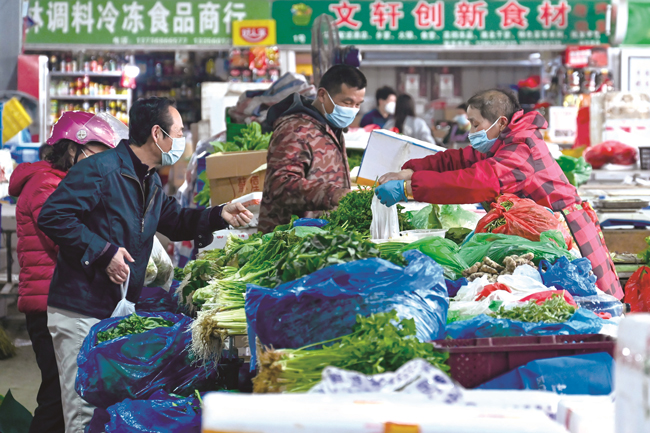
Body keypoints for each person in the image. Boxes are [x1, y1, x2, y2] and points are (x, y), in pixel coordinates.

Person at [38, 97, 253, 432]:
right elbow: (52, 216)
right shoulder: (100, 170)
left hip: (114, 308)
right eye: (178, 132)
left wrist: (219, 215)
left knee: (104, 407)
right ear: (157, 134)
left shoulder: (148, 179)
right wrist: (103, 252)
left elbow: (175, 221)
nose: (181, 140)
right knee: (82, 412)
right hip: (81, 308)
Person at [375, 88, 622, 299]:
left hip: (567, 233)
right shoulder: (501, 142)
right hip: (541, 232)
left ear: (501, 122)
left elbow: (477, 182)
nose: (471, 131)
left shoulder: (521, 148)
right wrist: (411, 171)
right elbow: (458, 160)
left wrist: (410, 188)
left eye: (476, 124)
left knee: (593, 301)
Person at [8, 111, 122, 433]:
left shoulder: (61, 182)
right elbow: (63, 238)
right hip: (47, 301)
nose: (99, 164)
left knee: (62, 393)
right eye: (96, 155)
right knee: (58, 397)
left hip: (58, 297)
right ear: (73, 148)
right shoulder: (45, 184)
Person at [258, 65, 366, 233]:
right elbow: (280, 186)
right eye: (347, 103)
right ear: (322, 95)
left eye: (358, 104)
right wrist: (333, 195)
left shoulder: (331, 128)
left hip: (319, 237)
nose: (352, 110)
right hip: (289, 239)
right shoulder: (295, 130)